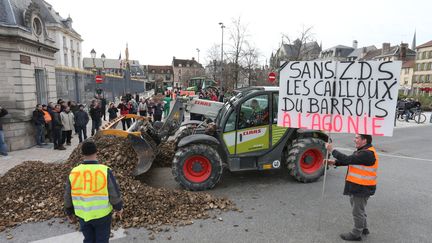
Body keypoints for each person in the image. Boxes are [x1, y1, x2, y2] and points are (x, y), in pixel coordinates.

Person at [64, 140, 123, 243]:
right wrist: (118, 207)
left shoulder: (74, 172)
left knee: (89, 240)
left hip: (83, 215)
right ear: (97, 152)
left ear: (82, 154)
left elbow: (68, 195)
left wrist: (69, 212)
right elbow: (114, 192)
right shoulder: (104, 170)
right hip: (102, 215)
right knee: (102, 240)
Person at [325, 134, 378, 241]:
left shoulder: (367, 153)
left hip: (362, 187)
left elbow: (348, 159)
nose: (354, 140)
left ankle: (356, 234)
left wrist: (332, 151)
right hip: (359, 186)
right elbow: (351, 161)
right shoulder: (363, 150)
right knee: (360, 209)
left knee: (357, 211)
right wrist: (335, 162)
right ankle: (364, 228)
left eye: (357, 138)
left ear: (364, 140)